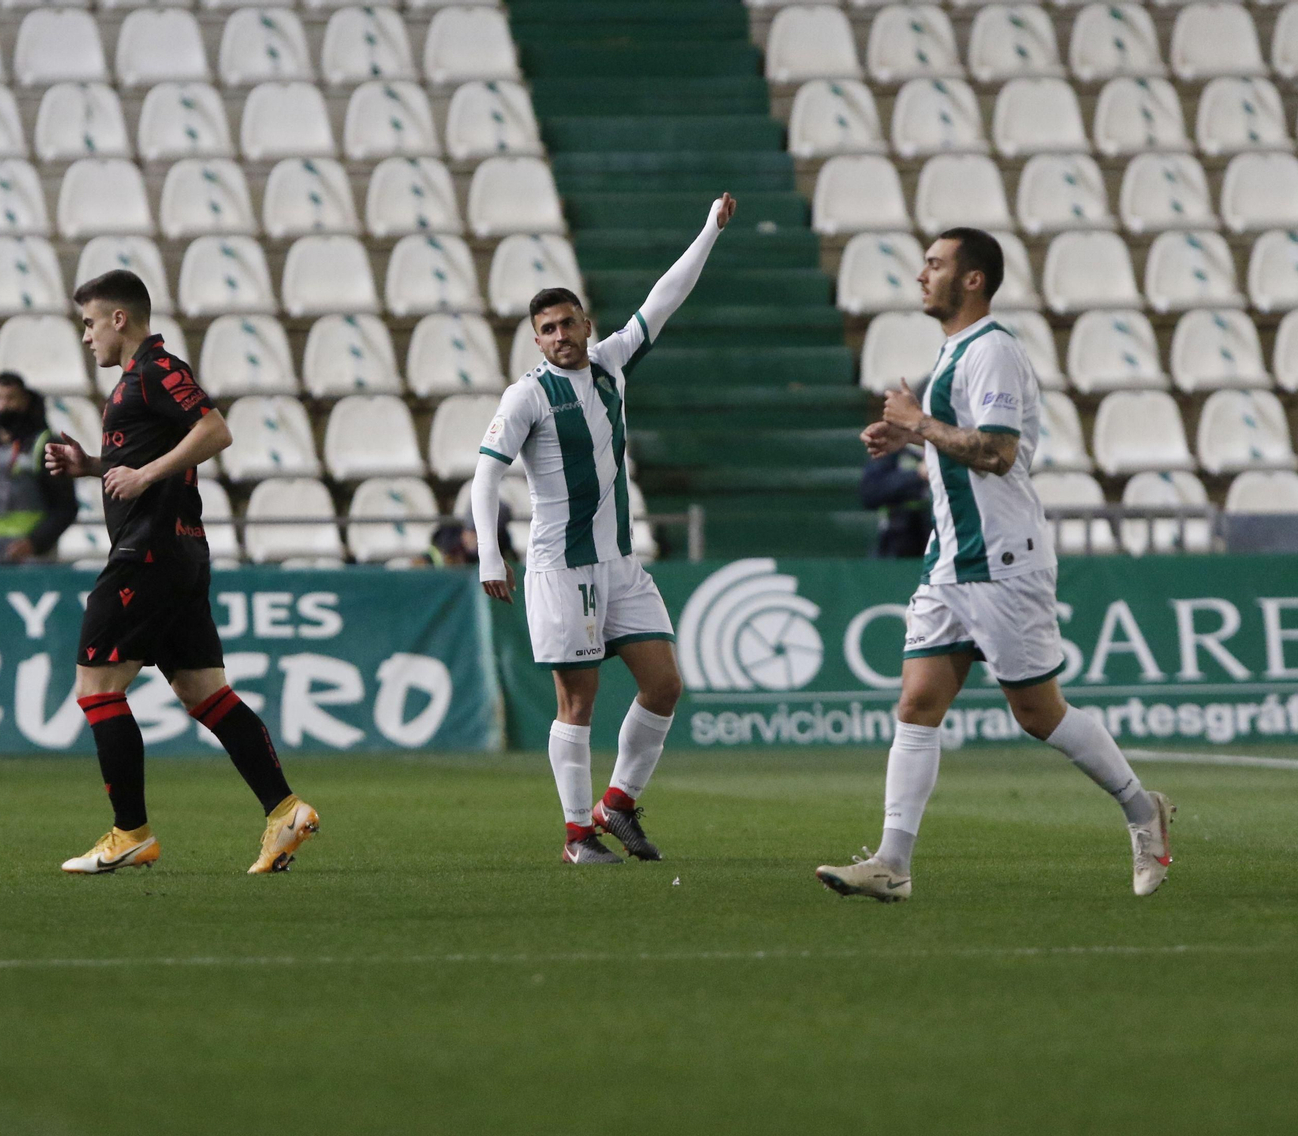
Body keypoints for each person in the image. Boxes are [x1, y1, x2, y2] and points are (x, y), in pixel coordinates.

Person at [815, 227, 1175, 902]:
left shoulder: (994, 352)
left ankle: (1139, 808)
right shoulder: (955, 352)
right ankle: (892, 862)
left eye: (934, 264)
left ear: (972, 279)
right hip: (950, 561)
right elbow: (958, 444)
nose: (922, 275)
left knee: (1038, 714)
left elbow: (998, 453)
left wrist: (920, 424)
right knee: (917, 704)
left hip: (1002, 561)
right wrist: (909, 434)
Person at [474, 193, 736, 865]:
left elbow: (665, 297)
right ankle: (575, 838)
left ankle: (615, 804)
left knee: (664, 684)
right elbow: (486, 473)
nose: (560, 336)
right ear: (535, 340)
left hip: (620, 563)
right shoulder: (527, 396)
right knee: (578, 700)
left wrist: (708, 228)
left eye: (568, 323)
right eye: (547, 329)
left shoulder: (612, 364)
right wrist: (489, 557)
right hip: (561, 566)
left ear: (587, 324)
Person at [44, 269, 319, 875]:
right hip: (178, 554)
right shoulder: (137, 382)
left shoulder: (156, 370)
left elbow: (215, 430)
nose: (86, 336)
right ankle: (285, 811)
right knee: (205, 694)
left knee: (97, 690)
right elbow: (145, 458)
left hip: (148, 555)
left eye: (90, 322)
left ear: (120, 318)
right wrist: (93, 465)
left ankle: (130, 833)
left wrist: (143, 476)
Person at [0, 372, 77, 564]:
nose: (2, 406)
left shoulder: (45, 445)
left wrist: (35, 542)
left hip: (34, 557)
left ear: (25, 401)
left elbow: (65, 506)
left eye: (11, 399)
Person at [859, 443, 930, 558]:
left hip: (942, 537)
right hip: (899, 541)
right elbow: (870, 491)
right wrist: (918, 474)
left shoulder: (952, 447)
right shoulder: (893, 447)